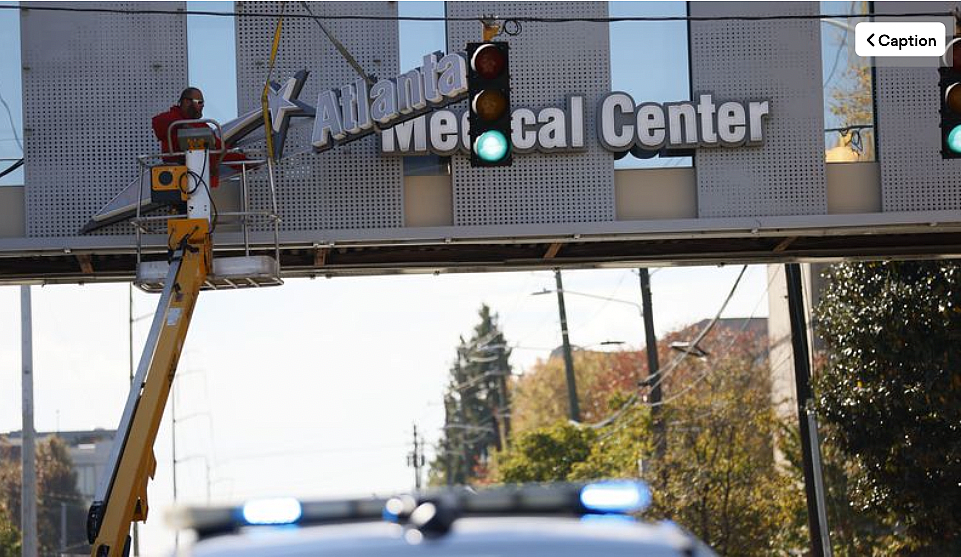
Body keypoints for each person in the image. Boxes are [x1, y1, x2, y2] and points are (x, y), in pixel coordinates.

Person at [151, 87, 245, 186]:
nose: (203, 106)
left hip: (203, 183)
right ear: (187, 102)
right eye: (200, 102)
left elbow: (220, 150)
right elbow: (158, 121)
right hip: (177, 181)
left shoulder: (203, 126)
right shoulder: (171, 119)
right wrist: (183, 125)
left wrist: (246, 162)